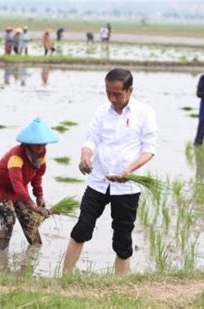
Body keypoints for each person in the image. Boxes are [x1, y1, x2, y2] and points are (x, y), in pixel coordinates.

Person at [62, 68, 157, 276]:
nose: (112, 98)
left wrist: (129, 170)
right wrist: (85, 156)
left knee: (123, 238)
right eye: (108, 93)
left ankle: (119, 286)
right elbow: (91, 139)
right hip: (98, 180)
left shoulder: (145, 112)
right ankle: (64, 278)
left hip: (127, 186)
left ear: (130, 91)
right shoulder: (101, 111)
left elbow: (149, 149)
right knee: (82, 228)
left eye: (118, 94)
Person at [0, 118, 58, 250]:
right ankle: (2, 255)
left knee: (30, 221)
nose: (41, 148)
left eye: (44, 144)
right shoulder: (17, 156)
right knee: (9, 220)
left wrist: (39, 197)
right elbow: (17, 184)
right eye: (37, 145)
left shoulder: (41, 154)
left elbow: (37, 176)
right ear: (29, 143)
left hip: (20, 187)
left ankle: (35, 252)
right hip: (2, 186)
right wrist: (33, 206)